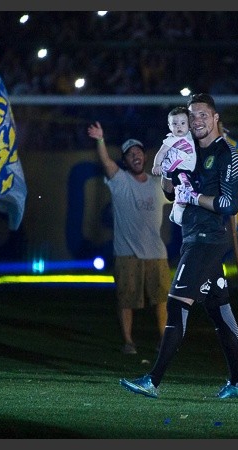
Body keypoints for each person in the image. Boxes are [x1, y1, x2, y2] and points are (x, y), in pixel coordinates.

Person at [119, 93, 238, 399]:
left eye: (203, 115)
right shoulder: (186, 148)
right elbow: (169, 191)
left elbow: (230, 205)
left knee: (177, 304)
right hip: (194, 235)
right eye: (193, 116)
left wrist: (195, 198)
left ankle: (152, 380)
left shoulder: (228, 155)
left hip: (207, 240)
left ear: (216, 118)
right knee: (219, 309)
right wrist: (167, 171)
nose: (197, 121)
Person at [86, 123, 169, 355]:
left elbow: (178, 190)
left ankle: (164, 339)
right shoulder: (121, 181)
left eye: (139, 152)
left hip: (156, 253)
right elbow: (106, 163)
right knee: (126, 300)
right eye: (131, 154)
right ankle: (129, 342)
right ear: (125, 161)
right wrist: (100, 140)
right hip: (127, 253)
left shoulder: (156, 184)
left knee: (161, 299)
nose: (136, 156)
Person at [151, 105, 196, 226]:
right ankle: (177, 215)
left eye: (182, 123)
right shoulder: (171, 139)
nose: (179, 126)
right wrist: (157, 165)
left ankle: (177, 212)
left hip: (192, 171)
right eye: (174, 124)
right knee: (183, 194)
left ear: (189, 124)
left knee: (190, 195)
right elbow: (161, 153)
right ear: (169, 126)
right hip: (181, 171)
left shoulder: (193, 135)